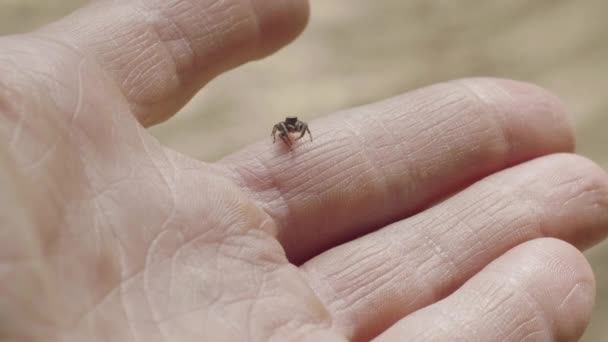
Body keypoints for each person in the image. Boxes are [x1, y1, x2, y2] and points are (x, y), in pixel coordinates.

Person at [0, 1, 606, 341]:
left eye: (292, 133)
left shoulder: (293, 131)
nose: (290, 136)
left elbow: (295, 132)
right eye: (290, 133)